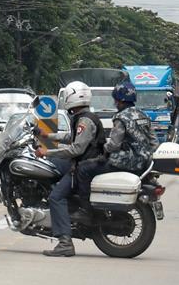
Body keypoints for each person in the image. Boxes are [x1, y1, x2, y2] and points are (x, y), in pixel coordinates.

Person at [35, 82, 106, 258]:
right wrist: (47, 135)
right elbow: (70, 136)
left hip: (84, 166)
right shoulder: (82, 117)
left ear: (72, 97)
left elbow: (76, 149)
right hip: (84, 164)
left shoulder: (85, 120)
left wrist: (47, 152)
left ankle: (65, 243)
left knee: (56, 197)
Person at [77, 80, 159, 210]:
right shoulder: (143, 115)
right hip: (144, 163)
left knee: (83, 168)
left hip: (125, 163)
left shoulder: (121, 117)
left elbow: (114, 145)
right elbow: (154, 143)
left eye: (116, 100)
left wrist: (103, 149)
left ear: (120, 100)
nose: (115, 103)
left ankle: (85, 209)